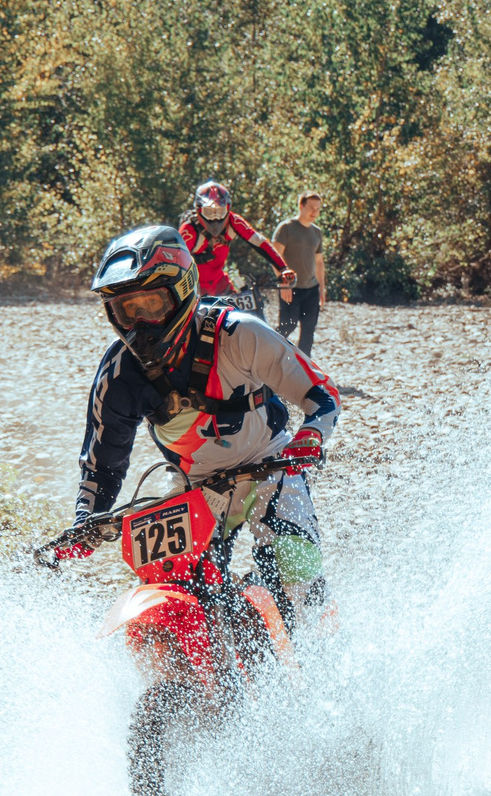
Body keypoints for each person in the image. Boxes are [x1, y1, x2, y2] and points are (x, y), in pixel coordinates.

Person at [58, 224, 339, 627]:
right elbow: (102, 466)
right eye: (127, 310)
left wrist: (310, 434)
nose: (141, 323)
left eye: (152, 305)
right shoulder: (118, 374)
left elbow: (321, 394)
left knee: (294, 565)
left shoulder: (240, 333)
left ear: (182, 291)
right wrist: (84, 520)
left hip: (273, 464)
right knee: (176, 584)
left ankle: (317, 654)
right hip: (194, 486)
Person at [179, 181, 292, 308]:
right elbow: (176, 261)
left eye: (220, 212)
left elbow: (260, 243)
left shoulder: (234, 221)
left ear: (228, 209)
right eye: (209, 212)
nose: (215, 218)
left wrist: (283, 268)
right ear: (199, 209)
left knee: (241, 315)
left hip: (220, 282)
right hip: (195, 286)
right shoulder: (188, 230)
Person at [270, 192, 326, 357]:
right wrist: (283, 283)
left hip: (311, 288)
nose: (314, 212)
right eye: (311, 208)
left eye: (318, 209)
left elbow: (319, 262)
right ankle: (269, 356)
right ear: (301, 206)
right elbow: (274, 257)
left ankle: (304, 369)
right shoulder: (286, 228)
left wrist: (322, 289)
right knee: (288, 326)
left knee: (309, 330)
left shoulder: (317, 232)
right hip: (291, 288)